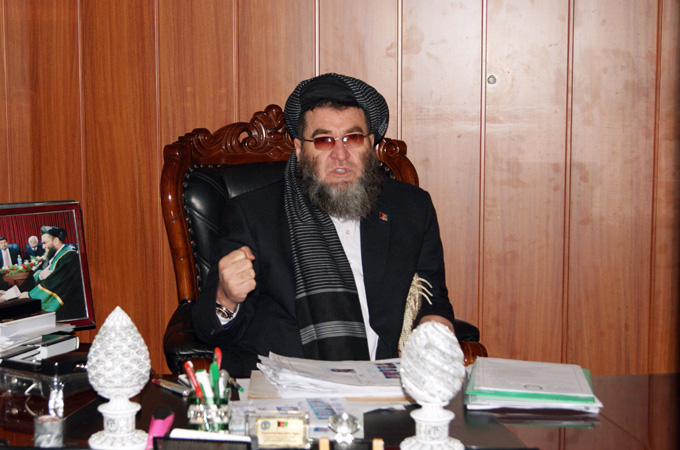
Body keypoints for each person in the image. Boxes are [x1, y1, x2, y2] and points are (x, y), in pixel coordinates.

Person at [193, 73, 455, 376]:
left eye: (353, 138)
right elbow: (208, 330)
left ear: (370, 144)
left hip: (382, 386)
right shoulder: (252, 214)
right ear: (300, 149)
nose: (340, 155)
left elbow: (433, 298)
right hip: (283, 390)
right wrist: (226, 298)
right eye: (323, 140)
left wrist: (435, 324)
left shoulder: (411, 208)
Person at [19, 226, 85, 321]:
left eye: (45, 242)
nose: (43, 246)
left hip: (69, 309)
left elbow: (56, 282)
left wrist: (30, 295)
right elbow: (39, 272)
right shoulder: (53, 255)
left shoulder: (70, 257)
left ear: (56, 241)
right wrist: (41, 275)